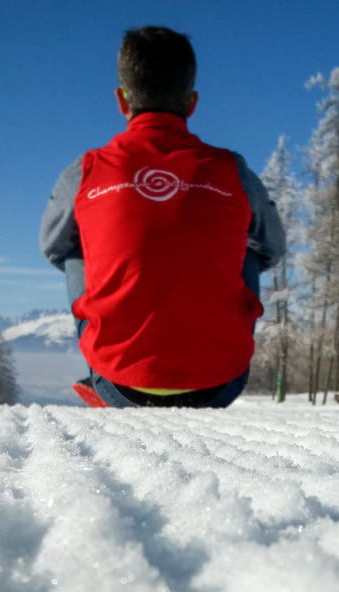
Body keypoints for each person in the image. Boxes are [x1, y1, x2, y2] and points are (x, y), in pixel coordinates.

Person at [40, 26, 285, 408]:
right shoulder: (232, 170)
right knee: (250, 250)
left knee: (75, 251)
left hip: (118, 385)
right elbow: (272, 248)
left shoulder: (86, 170)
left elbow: (53, 247)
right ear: (192, 103)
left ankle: (102, 366)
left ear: (122, 100)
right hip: (221, 382)